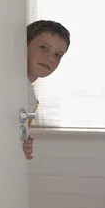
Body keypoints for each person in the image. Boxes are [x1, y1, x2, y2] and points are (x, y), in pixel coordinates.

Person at [22, 20, 70, 160]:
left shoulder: (30, 95)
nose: (50, 58)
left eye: (58, 55)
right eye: (43, 47)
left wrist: (23, 142)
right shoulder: (8, 85)